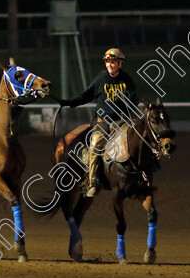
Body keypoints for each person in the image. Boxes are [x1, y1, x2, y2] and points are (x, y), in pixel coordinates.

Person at [57, 47, 139, 197]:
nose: (109, 65)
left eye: (113, 62)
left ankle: (138, 175)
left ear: (120, 64)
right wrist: (70, 103)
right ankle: (93, 181)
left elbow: (135, 100)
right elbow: (86, 95)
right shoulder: (101, 79)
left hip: (121, 122)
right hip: (102, 122)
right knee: (95, 145)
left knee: (134, 142)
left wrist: (131, 100)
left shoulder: (126, 80)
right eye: (107, 62)